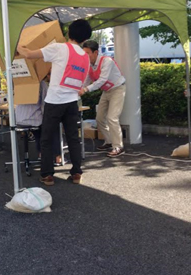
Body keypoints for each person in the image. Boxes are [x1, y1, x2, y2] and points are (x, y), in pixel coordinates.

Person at [17, 19, 92, 186]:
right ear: (85, 39)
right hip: (72, 102)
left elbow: (29, 54)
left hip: (54, 101)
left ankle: (48, 175)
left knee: (47, 138)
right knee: (73, 138)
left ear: (68, 33)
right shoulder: (85, 58)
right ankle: (77, 173)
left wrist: (17, 47)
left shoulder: (59, 48)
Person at [80, 40, 126, 157]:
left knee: (112, 118)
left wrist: (85, 90)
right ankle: (109, 141)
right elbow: (86, 80)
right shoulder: (89, 64)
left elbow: (102, 80)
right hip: (106, 91)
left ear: (95, 52)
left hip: (117, 89)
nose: (85, 56)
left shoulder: (107, 61)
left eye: (87, 53)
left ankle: (118, 146)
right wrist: (79, 89)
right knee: (100, 118)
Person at [15, 71, 62, 164]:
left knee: (38, 132)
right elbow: (45, 104)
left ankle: (41, 153)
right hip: (34, 119)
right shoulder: (41, 84)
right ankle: (57, 156)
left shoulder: (19, 82)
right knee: (53, 127)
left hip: (19, 119)